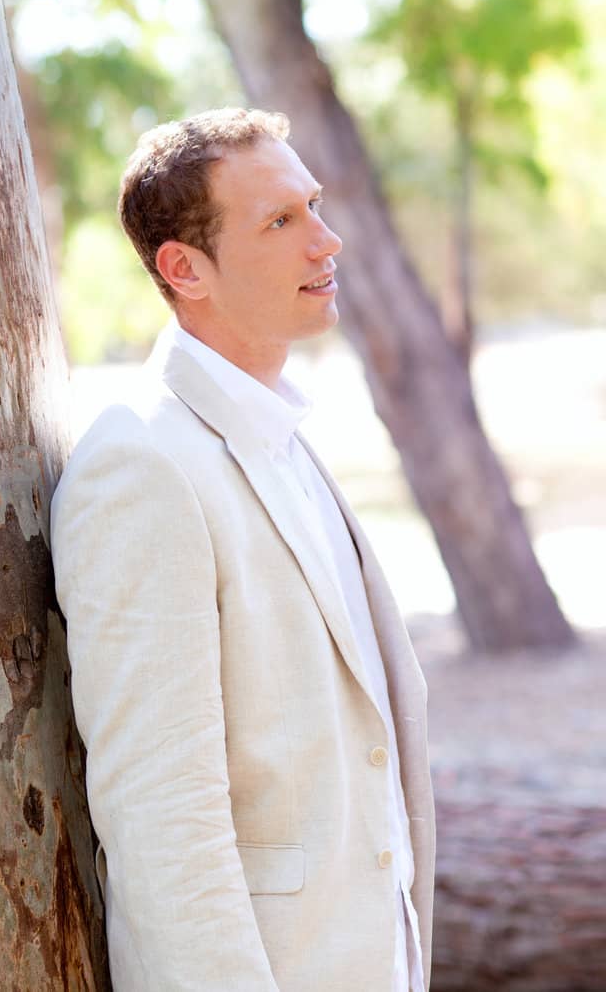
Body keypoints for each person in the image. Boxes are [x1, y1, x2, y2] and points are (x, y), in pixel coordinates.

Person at [49, 109, 436, 990]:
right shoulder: (139, 466)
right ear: (185, 269)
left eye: (314, 206)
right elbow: (161, 819)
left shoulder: (285, 440)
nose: (325, 239)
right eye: (280, 221)